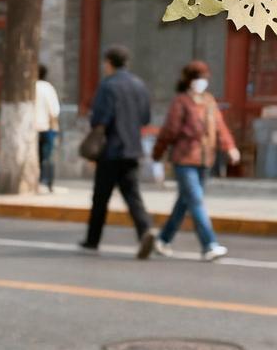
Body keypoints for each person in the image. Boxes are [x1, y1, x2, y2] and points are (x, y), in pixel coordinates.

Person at [151, 59, 240, 261]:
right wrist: (157, 155)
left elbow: (220, 126)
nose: (202, 82)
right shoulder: (181, 102)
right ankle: (209, 244)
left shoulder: (209, 101)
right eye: (198, 78)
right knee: (196, 200)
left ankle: (163, 240)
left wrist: (230, 147)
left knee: (184, 202)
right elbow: (169, 131)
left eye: (204, 78)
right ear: (190, 80)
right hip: (184, 159)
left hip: (204, 159)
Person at [81, 46, 156, 257]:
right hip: (132, 149)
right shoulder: (139, 85)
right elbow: (145, 118)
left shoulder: (108, 86)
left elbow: (99, 119)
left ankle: (92, 240)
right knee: (133, 195)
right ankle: (145, 229)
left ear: (109, 63)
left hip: (110, 150)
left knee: (100, 198)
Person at [35, 64, 61, 193]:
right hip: (47, 127)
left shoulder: (29, 87)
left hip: (32, 129)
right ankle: (47, 183)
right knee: (48, 157)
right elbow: (54, 110)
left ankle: (37, 182)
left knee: (37, 157)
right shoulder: (47, 88)